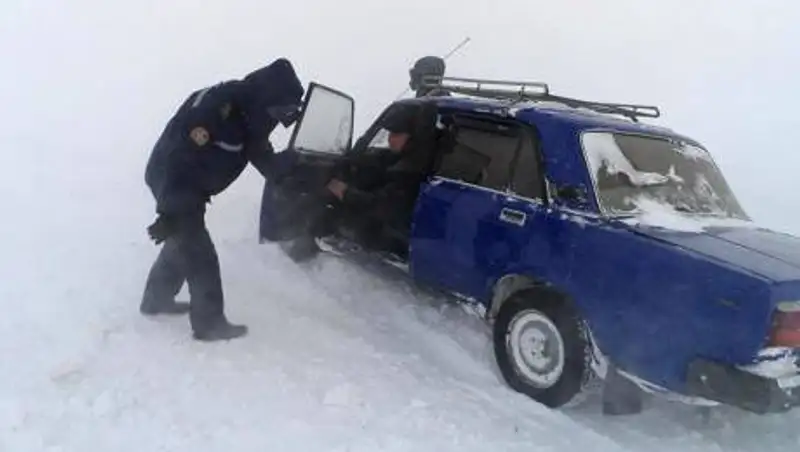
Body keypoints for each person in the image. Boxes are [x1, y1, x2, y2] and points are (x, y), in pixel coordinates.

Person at [140, 58, 304, 342]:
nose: (279, 120)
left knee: (182, 241)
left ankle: (156, 299)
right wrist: (170, 210)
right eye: (279, 112)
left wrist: (298, 161)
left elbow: (267, 162)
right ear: (266, 98)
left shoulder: (253, 121)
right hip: (173, 180)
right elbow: (176, 158)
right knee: (199, 252)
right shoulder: (216, 108)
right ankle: (209, 324)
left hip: (193, 187)